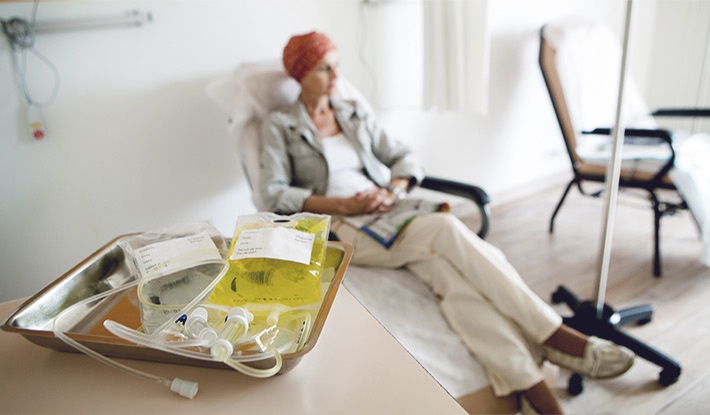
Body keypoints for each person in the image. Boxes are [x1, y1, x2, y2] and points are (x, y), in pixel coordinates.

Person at [258, 31, 635, 414]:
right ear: (302, 73)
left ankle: (540, 395)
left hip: (389, 209)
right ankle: (555, 335)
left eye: (337, 66)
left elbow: (403, 156)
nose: (335, 76)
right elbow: (272, 193)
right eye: (324, 68)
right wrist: (341, 203)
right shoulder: (280, 125)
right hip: (342, 224)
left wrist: (393, 189)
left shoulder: (351, 112)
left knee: (455, 283)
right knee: (445, 228)